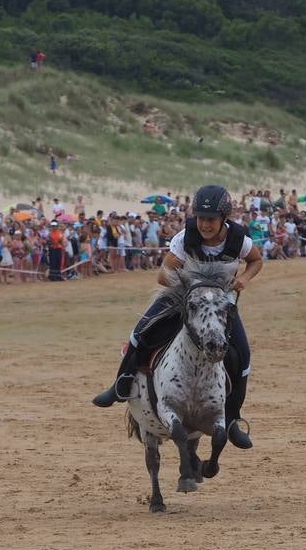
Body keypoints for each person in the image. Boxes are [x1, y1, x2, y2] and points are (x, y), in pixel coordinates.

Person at [91, 184, 261, 449]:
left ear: (223, 219)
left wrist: (244, 279)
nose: (204, 224)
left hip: (219, 305)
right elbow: (162, 276)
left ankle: (232, 420)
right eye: (201, 218)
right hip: (182, 298)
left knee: (243, 354)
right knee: (141, 331)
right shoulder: (185, 238)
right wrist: (189, 285)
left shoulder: (239, 240)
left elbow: (256, 261)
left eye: (211, 219)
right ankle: (119, 385)